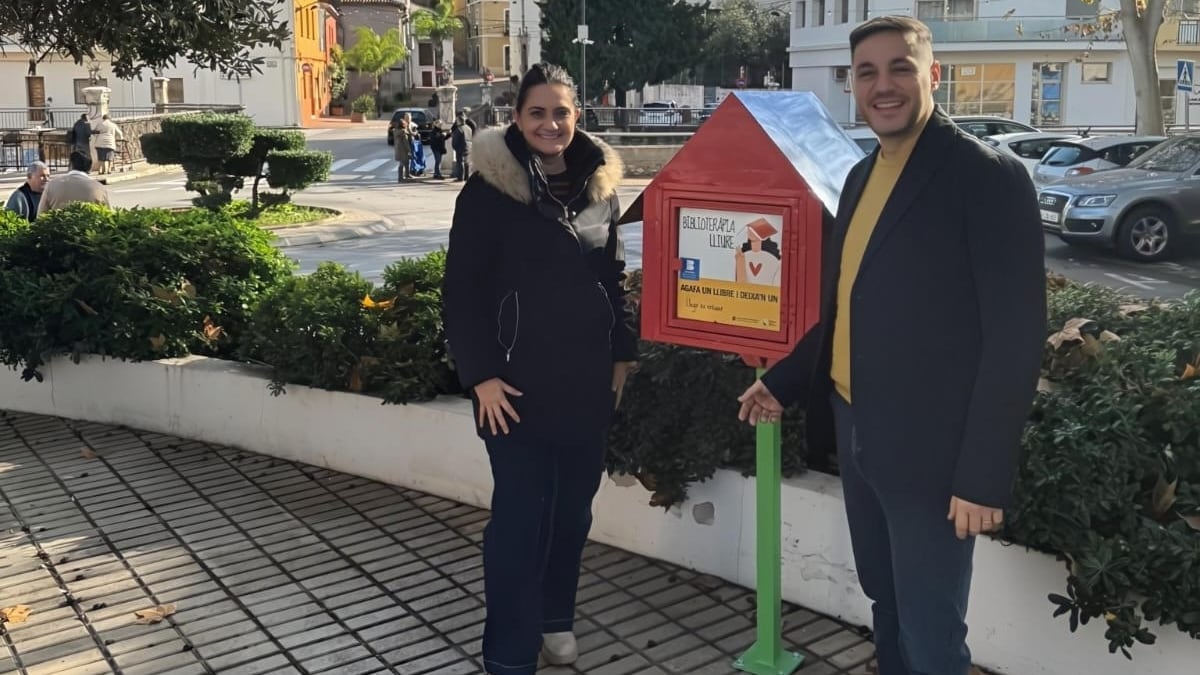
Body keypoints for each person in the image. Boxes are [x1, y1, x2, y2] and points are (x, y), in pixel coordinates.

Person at [736, 16, 1045, 675]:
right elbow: (848, 307)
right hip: (856, 431)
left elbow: (1015, 336)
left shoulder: (987, 176)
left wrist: (982, 475)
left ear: (933, 75)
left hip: (934, 453)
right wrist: (785, 380)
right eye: (867, 73)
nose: (883, 85)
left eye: (900, 67)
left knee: (932, 635)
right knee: (885, 603)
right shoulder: (860, 176)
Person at [442, 62, 637, 675]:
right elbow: (461, 292)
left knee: (573, 513)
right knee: (521, 522)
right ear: (517, 117)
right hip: (512, 390)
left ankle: (556, 620)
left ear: (577, 117)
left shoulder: (600, 190)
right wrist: (479, 375)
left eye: (561, 112)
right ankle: (506, 652)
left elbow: (615, 281)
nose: (550, 124)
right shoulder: (487, 192)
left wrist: (623, 354)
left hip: (586, 385)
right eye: (537, 112)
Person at [38, 152, 110, 215]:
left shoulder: (52, 185)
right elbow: (108, 216)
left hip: (59, 229)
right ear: (89, 168)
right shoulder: (99, 188)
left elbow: (41, 215)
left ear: (71, 165)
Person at [450, 111, 473, 181]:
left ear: (459, 121)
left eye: (457, 121)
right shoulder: (469, 128)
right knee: (467, 162)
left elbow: (455, 140)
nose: (456, 122)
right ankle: (467, 176)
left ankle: (460, 177)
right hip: (468, 147)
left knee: (460, 162)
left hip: (461, 147)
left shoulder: (459, 129)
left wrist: (455, 147)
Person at [393, 113, 415, 182]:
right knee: (403, 163)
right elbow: (406, 143)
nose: (406, 124)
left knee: (406, 162)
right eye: (405, 124)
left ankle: (406, 175)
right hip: (403, 150)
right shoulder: (403, 133)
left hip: (398, 149)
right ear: (403, 125)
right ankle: (401, 177)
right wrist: (409, 151)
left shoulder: (396, 131)